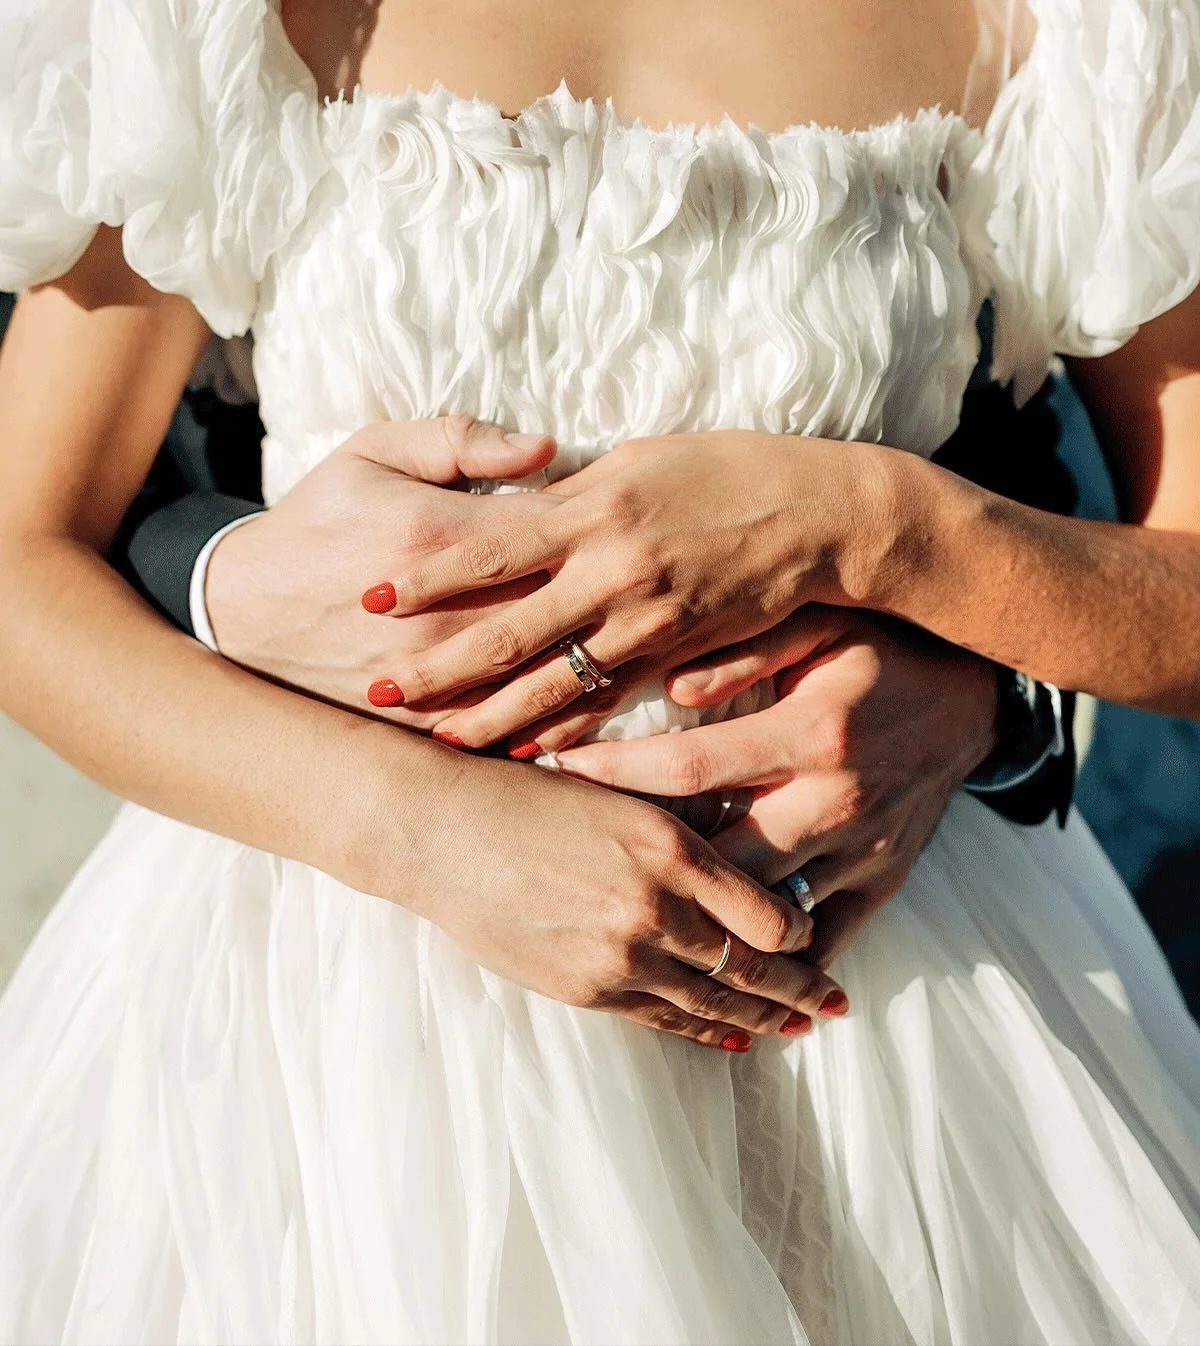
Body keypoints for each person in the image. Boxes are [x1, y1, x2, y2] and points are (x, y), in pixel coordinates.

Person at [0, 0, 1198, 1341]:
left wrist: (883, 528)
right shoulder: (213, 20)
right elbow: (20, 560)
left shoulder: (1069, 23)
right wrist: (422, 833)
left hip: (879, 1006)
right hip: (328, 1022)